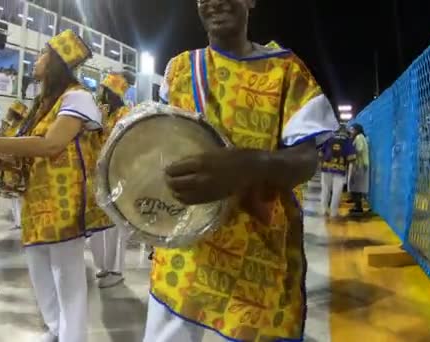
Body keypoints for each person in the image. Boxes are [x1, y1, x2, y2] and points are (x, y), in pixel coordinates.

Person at [144, 0, 339, 341]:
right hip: (183, 256)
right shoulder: (179, 69)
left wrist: (249, 166)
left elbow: (307, 159)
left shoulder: (286, 71)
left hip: (254, 262)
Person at [0, 29, 101, 342]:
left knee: (67, 275)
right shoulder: (46, 102)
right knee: (39, 268)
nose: (36, 59)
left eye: (43, 53)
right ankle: (56, 328)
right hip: (36, 197)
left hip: (64, 199)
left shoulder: (79, 97)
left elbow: (50, 145)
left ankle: (73, 337)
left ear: (58, 62)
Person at [88, 70, 134, 289]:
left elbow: (125, 142)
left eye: (104, 91)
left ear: (114, 93)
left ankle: (116, 270)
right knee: (100, 223)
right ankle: (103, 266)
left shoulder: (126, 113)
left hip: (119, 174)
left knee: (116, 225)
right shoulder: (100, 113)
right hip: (99, 175)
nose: (100, 95)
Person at [320, 127, 356, 221]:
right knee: (337, 191)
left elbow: (320, 153)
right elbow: (351, 158)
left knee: (325, 189)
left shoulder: (329, 138)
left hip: (326, 167)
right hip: (339, 170)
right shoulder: (347, 141)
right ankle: (333, 212)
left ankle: (324, 210)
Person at [3, 100, 28, 230]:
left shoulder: (21, 129)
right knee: (13, 196)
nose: (8, 113)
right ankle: (18, 221)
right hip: (8, 165)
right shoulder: (11, 127)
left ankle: (21, 222)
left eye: (10, 111)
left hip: (16, 166)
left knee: (19, 196)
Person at [348, 123, 369, 213]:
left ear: (357, 130)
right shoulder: (361, 137)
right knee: (357, 186)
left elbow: (359, 149)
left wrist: (351, 151)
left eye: (352, 130)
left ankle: (358, 207)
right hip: (361, 164)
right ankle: (357, 206)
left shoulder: (359, 137)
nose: (351, 132)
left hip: (359, 165)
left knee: (357, 186)